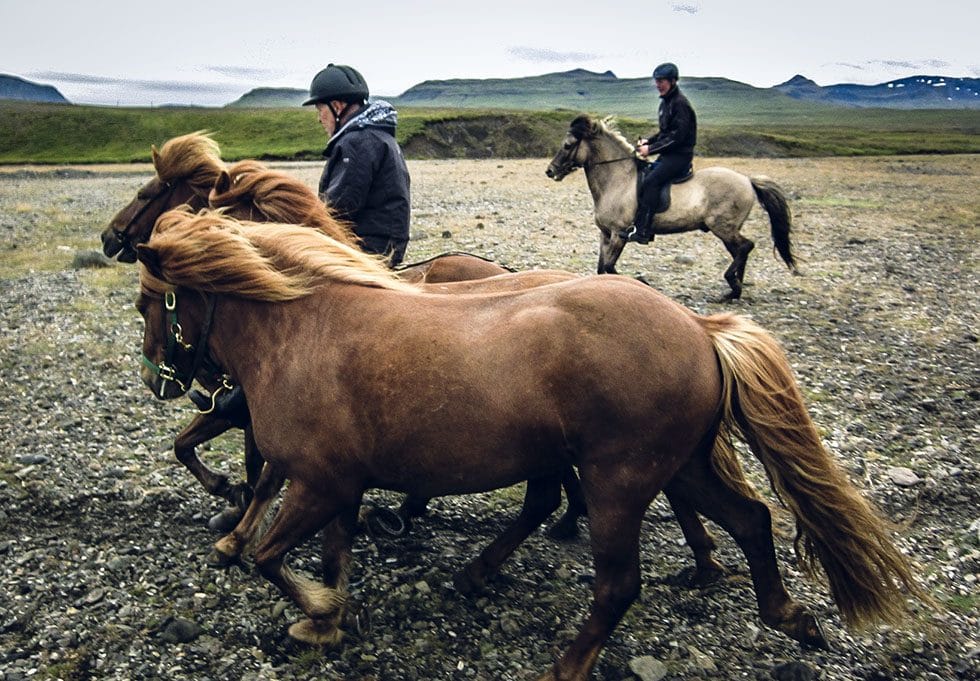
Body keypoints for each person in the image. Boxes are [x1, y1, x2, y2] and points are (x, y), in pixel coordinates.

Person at [303, 63, 411, 266]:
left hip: (366, 247)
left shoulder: (357, 142)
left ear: (336, 106)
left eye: (320, 109)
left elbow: (339, 208)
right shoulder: (379, 136)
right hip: (386, 243)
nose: (319, 119)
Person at [622, 62, 697, 244]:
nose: (658, 84)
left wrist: (651, 150)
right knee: (642, 176)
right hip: (669, 155)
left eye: (661, 81)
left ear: (672, 81)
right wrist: (650, 140)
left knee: (651, 182)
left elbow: (677, 137)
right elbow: (665, 133)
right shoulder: (666, 103)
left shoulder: (680, 104)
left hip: (679, 157)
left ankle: (644, 231)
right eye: (656, 81)